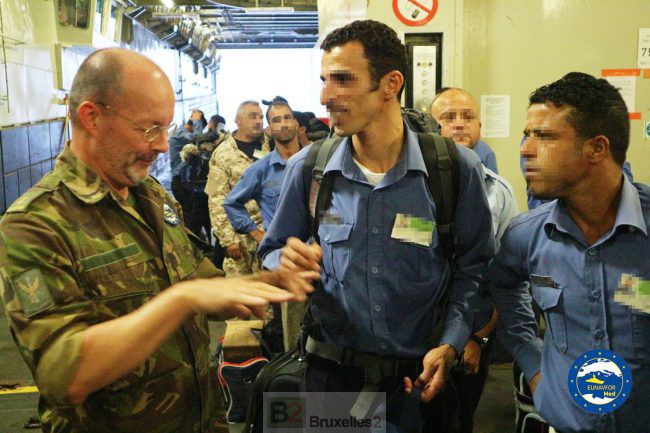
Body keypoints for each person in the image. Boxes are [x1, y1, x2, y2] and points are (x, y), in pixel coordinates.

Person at [0, 48, 316, 433]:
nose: (163, 145)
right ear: (92, 117)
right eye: (149, 128)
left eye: (166, 128)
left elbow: (202, 282)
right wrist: (180, 301)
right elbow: (63, 375)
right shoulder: (34, 225)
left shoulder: (150, 195)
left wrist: (267, 283)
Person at [258, 19, 495, 432]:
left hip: (421, 384)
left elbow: (474, 268)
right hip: (334, 385)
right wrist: (284, 263)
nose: (325, 97)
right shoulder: (310, 170)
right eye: (324, 80)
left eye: (343, 80)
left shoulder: (452, 171)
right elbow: (273, 249)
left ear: (391, 84)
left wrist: (452, 343)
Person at [489, 72, 650, 433]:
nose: (525, 149)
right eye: (526, 135)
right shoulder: (527, 235)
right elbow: (502, 284)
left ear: (597, 148)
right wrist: (533, 362)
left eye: (544, 136)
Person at [223, 100, 303, 352]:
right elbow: (231, 202)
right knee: (289, 334)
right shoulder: (262, 169)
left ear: (297, 124)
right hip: (284, 261)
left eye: (287, 117)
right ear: (269, 130)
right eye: (276, 120)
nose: (283, 123)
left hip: (322, 258)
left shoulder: (318, 160)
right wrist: (256, 232)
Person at [205, 101, 270, 277]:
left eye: (261, 116)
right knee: (241, 292)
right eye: (252, 116)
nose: (258, 121)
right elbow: (215, 198)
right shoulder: (222, 154)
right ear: (238, 120)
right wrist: (228, 239)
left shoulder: (269, 146)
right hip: (240, 238)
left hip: (269, 232)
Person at [430, 87, 499, 173]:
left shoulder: (495, 184)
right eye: (448, 118)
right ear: (429, 128)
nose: (460, 124)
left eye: (468, 117)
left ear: (479, 126)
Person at [169, 109, 207, 235]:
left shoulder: (184, 135)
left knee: (193, 215)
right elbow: (197, 138)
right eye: (198, 126)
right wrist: (196, 119)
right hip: (181, 182)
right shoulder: (181, 134)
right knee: (188, 217)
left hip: (186, 181)